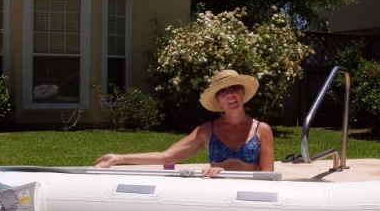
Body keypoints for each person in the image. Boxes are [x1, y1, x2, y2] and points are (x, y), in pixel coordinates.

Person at [95, 69, 275, 176]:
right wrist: (119, 158)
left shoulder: (262, 130)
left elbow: (268, 177)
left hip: (247, 197)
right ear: (218, 99)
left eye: (234, 88)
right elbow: (167, 156)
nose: (230, 95)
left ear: (243, 92)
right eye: (223, 91)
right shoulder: (207, 131)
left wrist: (227, 174)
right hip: (218, 196)